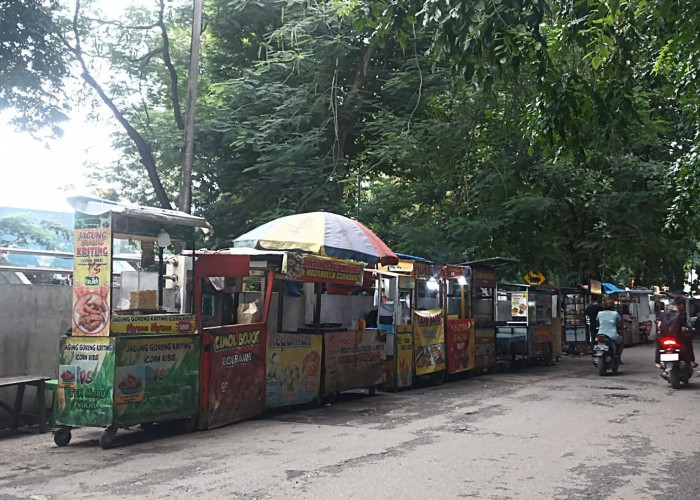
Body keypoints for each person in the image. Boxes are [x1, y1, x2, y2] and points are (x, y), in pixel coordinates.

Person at [655, 296, 697, 368]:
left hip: (664, 337)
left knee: (659, 346)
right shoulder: (681, 314)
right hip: (677, 337)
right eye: (683, 305)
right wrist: (690, 329)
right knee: (688, 344)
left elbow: (659, 325)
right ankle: (691, 361)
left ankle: (657, 362)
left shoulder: (664, 313)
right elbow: (683, 328)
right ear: (681, 305)